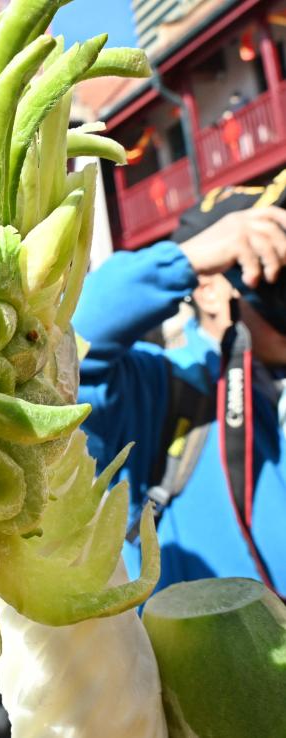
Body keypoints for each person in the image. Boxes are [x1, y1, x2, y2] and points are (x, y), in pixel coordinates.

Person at [73, 196, 286, 599]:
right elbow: (62, 348)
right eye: (271, 268)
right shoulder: (160, 385)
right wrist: (183, 261)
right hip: (201, 638)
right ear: (209, 290)